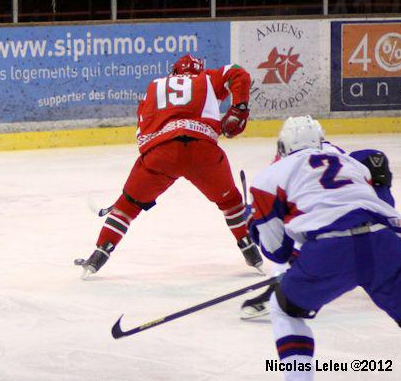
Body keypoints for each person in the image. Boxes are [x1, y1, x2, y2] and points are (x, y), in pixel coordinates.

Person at [249, 116, 401, 381]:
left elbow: (278, 252)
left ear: (281, 147)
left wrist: (255, 223)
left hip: (331, 254)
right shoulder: (350, 162)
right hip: (386, 244)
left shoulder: (268, 177)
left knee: (284, 309)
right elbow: (377, 200)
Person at [77, 54, 262, 277]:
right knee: (230, 201)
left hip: (160, 153)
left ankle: (100, 253)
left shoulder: (154, 86)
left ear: (173, 72)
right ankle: (248, 247)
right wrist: (239, 108)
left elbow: (142, 133)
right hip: (202, 151)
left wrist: (145, 176)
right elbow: (237, 71)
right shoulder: (206, 79)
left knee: (127, 206)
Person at [240, 131, 396, 319]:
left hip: (330, 228)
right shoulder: (335, 152)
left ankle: (285, 284)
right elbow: (372, 159)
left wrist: (253, 219)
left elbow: (276, 238)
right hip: (370, 223)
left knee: (290, 226)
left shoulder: (283, 162)